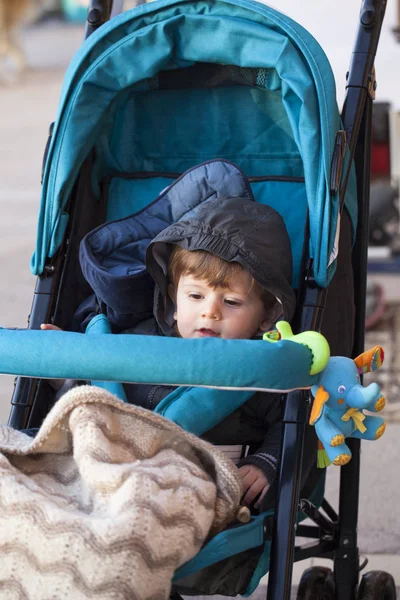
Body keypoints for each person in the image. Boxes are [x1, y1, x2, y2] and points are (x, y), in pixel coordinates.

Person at [42, 196, 315, 509]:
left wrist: (267, 462)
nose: (209, 312)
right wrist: (65, 375)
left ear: (266, 316)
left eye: (232, 302)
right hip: (110, 476)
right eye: (196, 295)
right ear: (173, 299)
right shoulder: (136, 344)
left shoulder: (261, 371)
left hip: (200, 489)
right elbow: (98, 401)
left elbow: (296, 422)